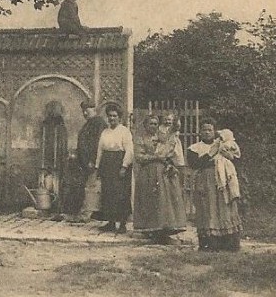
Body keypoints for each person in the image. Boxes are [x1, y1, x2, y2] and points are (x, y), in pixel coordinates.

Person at [188, 120, 243, 251]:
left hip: (222, 182)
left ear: (215, 132)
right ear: (200, 132)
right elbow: (195, 164)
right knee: (208, 210)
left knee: (225, 209)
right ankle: (210, 244)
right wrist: (210, 154)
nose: (207, 132)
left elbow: (235, 159)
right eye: (204, 130)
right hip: (205, 182)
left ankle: (229, 244)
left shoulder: (223, 145)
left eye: (210, 130)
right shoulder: (194, 148)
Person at [132, 114, 187, 243]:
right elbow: (139, 156)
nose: (153, 126)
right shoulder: (140, 138)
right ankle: (151, 230)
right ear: (145, 125)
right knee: (150, 200)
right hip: (148, 172)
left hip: (162, 172)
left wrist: (167, 160)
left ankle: (164, 230)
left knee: (164, 200)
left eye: (156, 124)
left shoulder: (162, 138)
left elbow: (170, 151)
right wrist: (155, 157)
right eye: (151, 124)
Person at [95, 103, 133, 233]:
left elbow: (129, 151)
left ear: (119, 117)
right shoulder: (105, 132)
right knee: (108, 193)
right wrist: (97, 167)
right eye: (110, 116)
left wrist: (124, 166)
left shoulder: (124, 131)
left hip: (119, 163)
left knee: (121, 194)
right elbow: (100, 150)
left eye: (114, 116)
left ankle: (122, 224)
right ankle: (111, 222)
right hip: (107, 164)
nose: (112, 118)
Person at [67, 99, 105, 223]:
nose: (84, 113)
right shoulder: (89, 123)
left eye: (87, 110)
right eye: (83, 110)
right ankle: (90, 213)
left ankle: (86, 214)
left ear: (94, 110)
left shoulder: (98, 123)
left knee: (91, 187)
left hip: (91, 162)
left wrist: (92, 160)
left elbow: (97, 143)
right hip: (85, 161)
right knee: (89, 187)